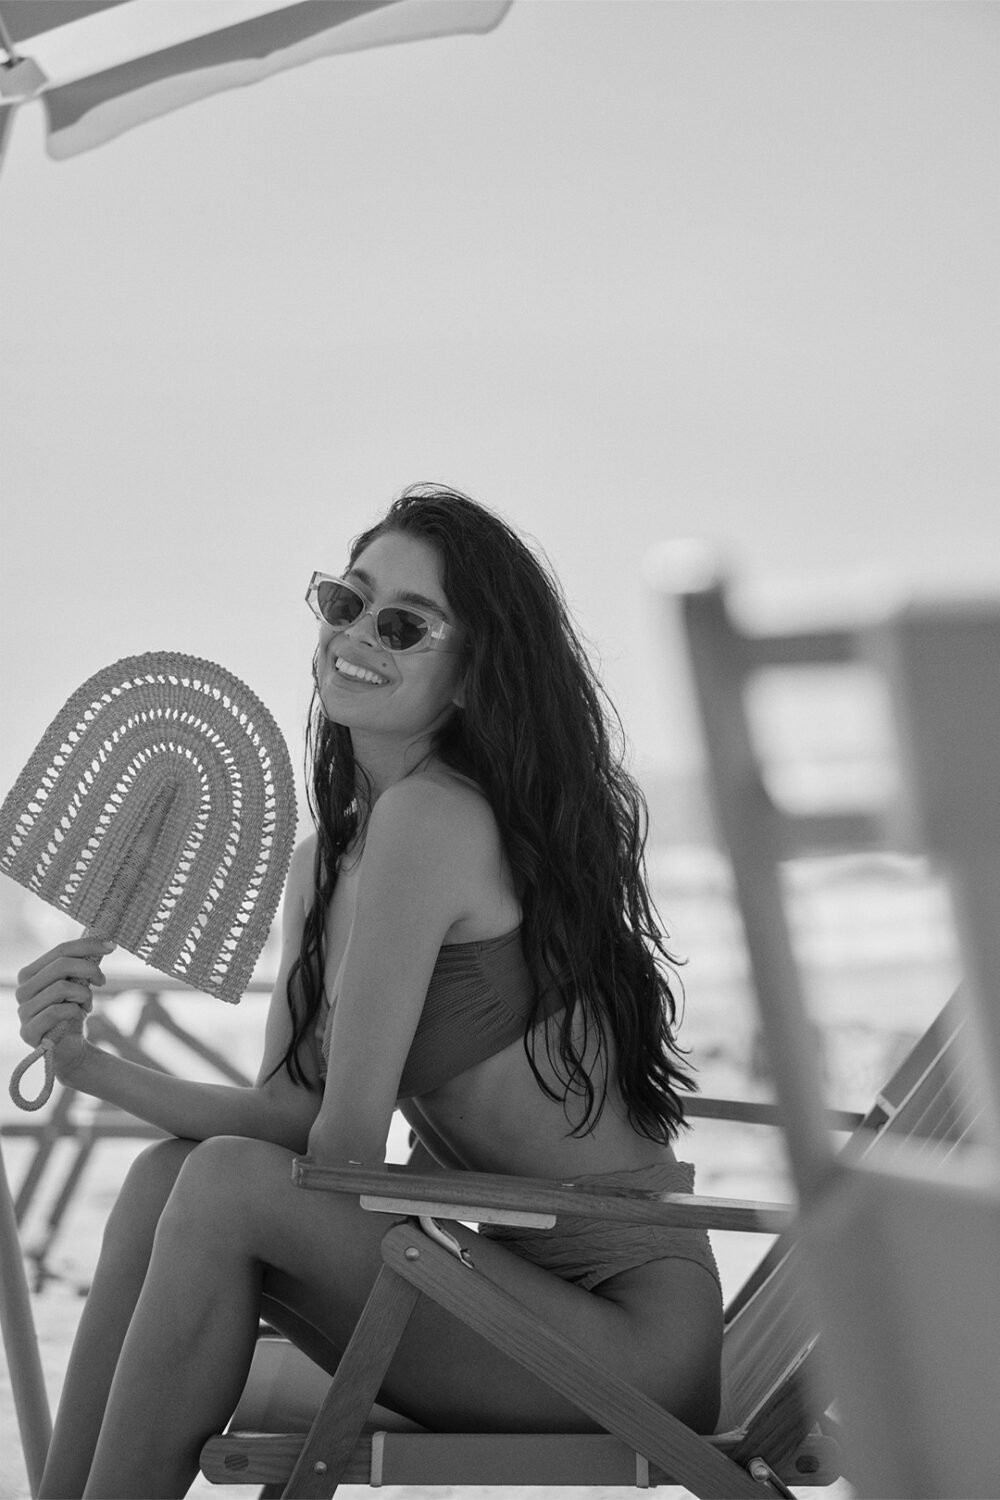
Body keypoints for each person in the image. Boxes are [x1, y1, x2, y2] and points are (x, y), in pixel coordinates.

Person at [15, 484, 722, 1500]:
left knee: (215, 1182)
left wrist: (187, 1122)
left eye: (403, 625)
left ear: (473, 674)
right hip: (496, 1298)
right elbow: (287, 1117)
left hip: (624, 1350)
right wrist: (87, 1065)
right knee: (169, 1177)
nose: (358, 636)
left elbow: (335, 1156)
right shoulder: (331, 853)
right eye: (345, 603)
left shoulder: (432, 825)